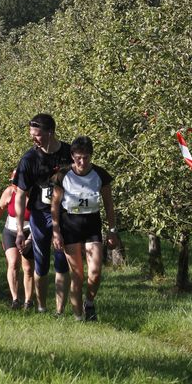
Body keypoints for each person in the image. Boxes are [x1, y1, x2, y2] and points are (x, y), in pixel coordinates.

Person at [50, 136, 118, 321]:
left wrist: (112, 231)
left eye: (86, 157)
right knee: (77, 276)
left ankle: (89, 303)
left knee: (95, 273)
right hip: (70, 225)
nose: (82, 162)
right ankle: (78, 318)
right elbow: (54, 205)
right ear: (72, 156)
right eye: (78, 157)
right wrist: (56, 231)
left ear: (91, 156)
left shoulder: (100, 174)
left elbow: (109, 205)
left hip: (92, 224)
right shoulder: (63, 175)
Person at [13, 113, 72, 314]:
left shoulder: (69, 153)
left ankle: (60, 311)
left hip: (65, 215)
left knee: (62, 262)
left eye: (37, 135)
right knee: (41, 263)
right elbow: (20, 195)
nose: (33, 138)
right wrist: (20, 230)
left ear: (50, 133)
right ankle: (41, 307)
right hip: (40, 215)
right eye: (31, 134)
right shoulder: (29, 159)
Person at [0, 170, 35, 309]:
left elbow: (41, 218)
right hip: (10, 232)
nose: (15, 185)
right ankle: (15, 299)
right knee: (13, 263)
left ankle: (28, 301)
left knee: (28, 268)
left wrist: (31, 238)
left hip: (29, 233)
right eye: (13, 182)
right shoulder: (9, 192)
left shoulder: (35, 195)